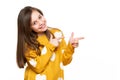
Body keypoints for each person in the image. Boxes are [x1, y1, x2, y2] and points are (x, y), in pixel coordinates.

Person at [16, 6, 84, 80]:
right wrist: (50, 46)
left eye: (40, 17)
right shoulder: (28, 44)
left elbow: (64, 61)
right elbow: (38, 67)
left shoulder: (57, 33)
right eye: (34, 23)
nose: (41, 22)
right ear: (28, 27)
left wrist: (70, 47)